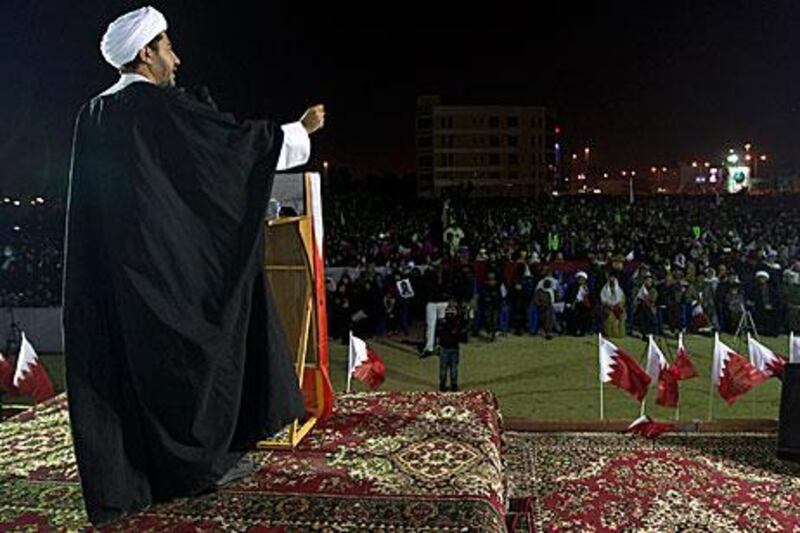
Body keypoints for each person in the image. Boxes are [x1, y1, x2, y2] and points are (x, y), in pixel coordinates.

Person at [62, 6, 325, 526]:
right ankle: (194, 469)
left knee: (131, 375)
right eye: (168, 47)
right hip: (162, 275)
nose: (176, 59)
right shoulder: (155, 109)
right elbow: (223, 152)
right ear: (145, 53)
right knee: (187, 359)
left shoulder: (92, 114)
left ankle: (137, 475)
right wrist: (298, 131)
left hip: (114, 282)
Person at [436, 300, 468, 391]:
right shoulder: (457, 324)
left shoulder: (443, 323)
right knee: (453, 368)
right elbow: (462, 335)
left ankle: (442, 386)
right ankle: (453, 385)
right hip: (453, 348)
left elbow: (438, 334)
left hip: (444, 348)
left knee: (443, 368)